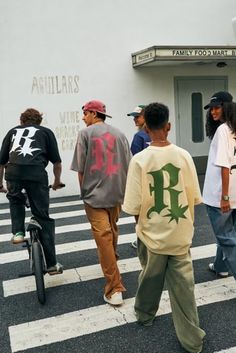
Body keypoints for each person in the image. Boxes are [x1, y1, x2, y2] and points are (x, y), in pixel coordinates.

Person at [123, 102, 205, 353]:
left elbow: (134, 206)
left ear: (146, 127)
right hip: (180, 234)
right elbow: (193, 198)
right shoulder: (184, 156)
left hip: (152, 234)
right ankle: (193, 341)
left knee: (150, 278)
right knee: (184, 289)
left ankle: (145, 314)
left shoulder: (139, 160)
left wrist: (141, 231)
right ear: (168, 126)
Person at [71, 100, 131, 306]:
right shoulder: (120, 134)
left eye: (85, 113)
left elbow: (80, 168)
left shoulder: (85, 134)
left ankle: (114, 288)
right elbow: (128, 164)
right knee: (112, 230)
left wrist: (84, 192)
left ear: (93, 113)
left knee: (103, 236)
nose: (83, 118)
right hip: (117, 193)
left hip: (95, 195)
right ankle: (111, 261)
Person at [0, 108, 64, 275]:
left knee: (15, 200)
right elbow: (56, 162)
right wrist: (57, 181)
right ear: (39, 122)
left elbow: (1, 162)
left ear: (21, 121)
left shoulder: (12, 131)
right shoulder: (46, 132)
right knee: (43, 217)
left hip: (13, 173)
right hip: (36, 174)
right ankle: (51, 264)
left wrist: (0, 184)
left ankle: (18, 232)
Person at [203, 96, 236, 280]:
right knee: (229, 236)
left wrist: (224, 197)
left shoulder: (223, 130)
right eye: (211, 109)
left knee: (227, 239)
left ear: (227, 107)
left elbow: (224, 165)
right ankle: (220, 266)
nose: (213, 111)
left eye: (217, 107)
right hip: (234, 192)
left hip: (221, 195)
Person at [127, 105, 151, 248]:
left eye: (137, 116)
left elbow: (134, 160)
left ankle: (141, 239)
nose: (135, 119)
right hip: (155, 178)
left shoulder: (139, 136)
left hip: (142, 179)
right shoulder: (156, 134)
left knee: (140, 212)